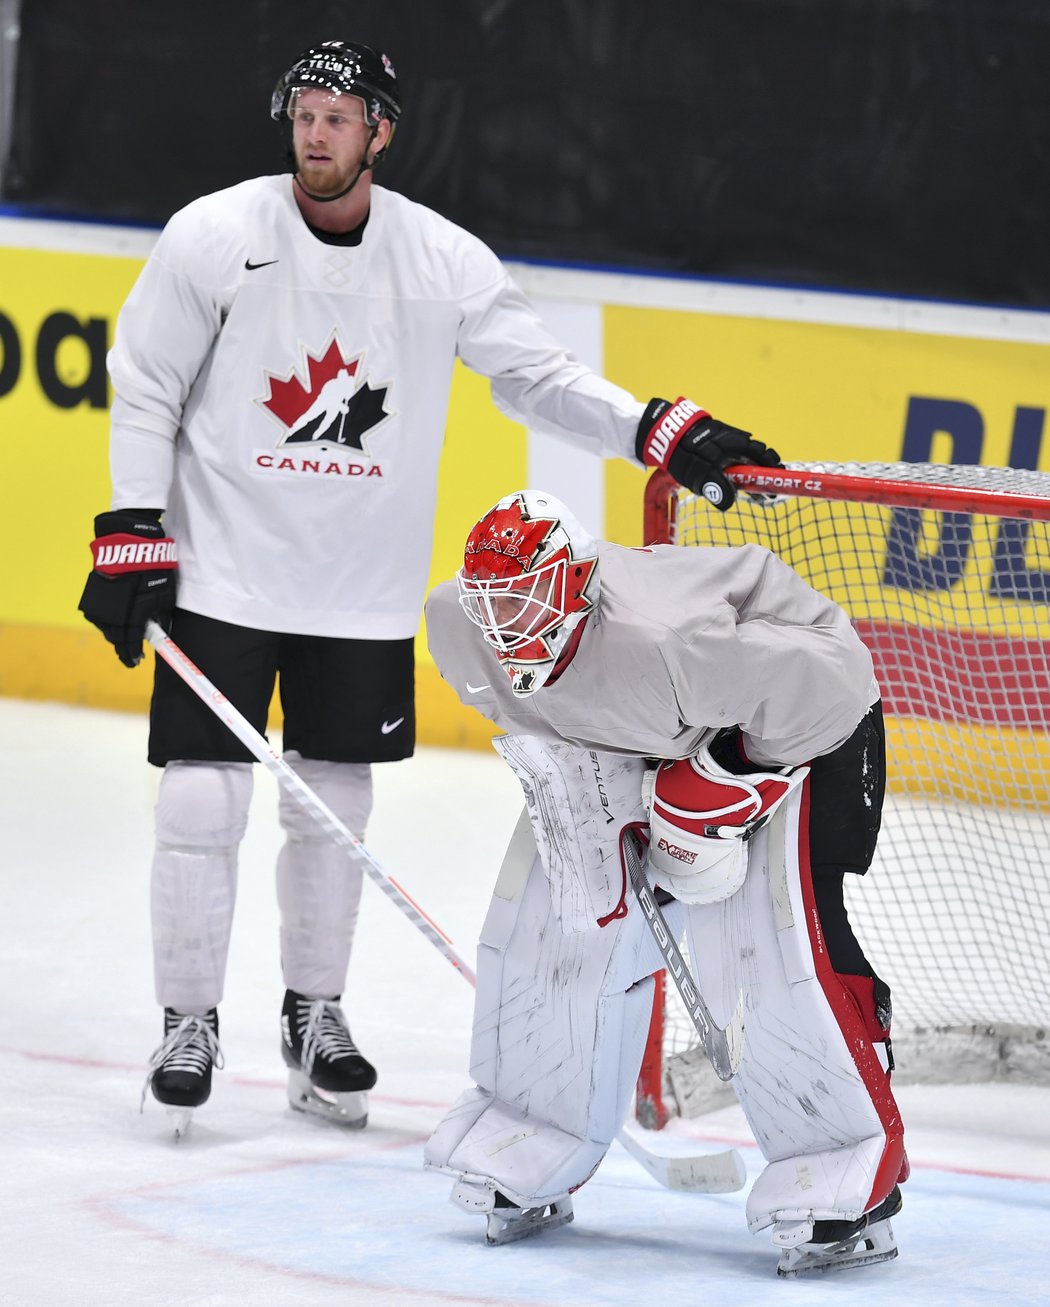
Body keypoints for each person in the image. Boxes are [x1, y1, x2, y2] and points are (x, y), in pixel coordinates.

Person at [76, 39, 782, 1133]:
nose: (317, 131)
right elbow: (145, 385)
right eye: (304, 111)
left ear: (382, 131)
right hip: (224, 575)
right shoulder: (214, 233)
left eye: (340, 115)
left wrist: (653, 427)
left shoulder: (441, 258)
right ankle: (188, 1021)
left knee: (333, 806)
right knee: (199, 800)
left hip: (358, 591)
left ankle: (316, 1014)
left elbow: (535, 378)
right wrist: (131, 525)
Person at [421, 488, 908, 1276]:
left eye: (526, 601)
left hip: (791, 721)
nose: (506, 625)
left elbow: (834, 679)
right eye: (494, 604)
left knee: (760, 947)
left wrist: (718, 785)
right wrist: (583, 788)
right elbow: (564, 707)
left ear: (579, 586)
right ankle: (535, 1124)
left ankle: (847, 1161)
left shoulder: (671, 639)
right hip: (646, 731)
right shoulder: (457, 622)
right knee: (555, 924)